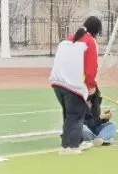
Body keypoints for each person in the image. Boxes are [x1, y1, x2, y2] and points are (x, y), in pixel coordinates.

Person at [49, 16, 102, 154]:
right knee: (76, 114)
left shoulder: (69, 38)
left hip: (57, 81)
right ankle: (70, 146)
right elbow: (91, 68)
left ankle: (71, 143)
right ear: (96, 31)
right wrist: (91, 85)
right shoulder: (90, 42)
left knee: (69, 114)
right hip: (73, 84)